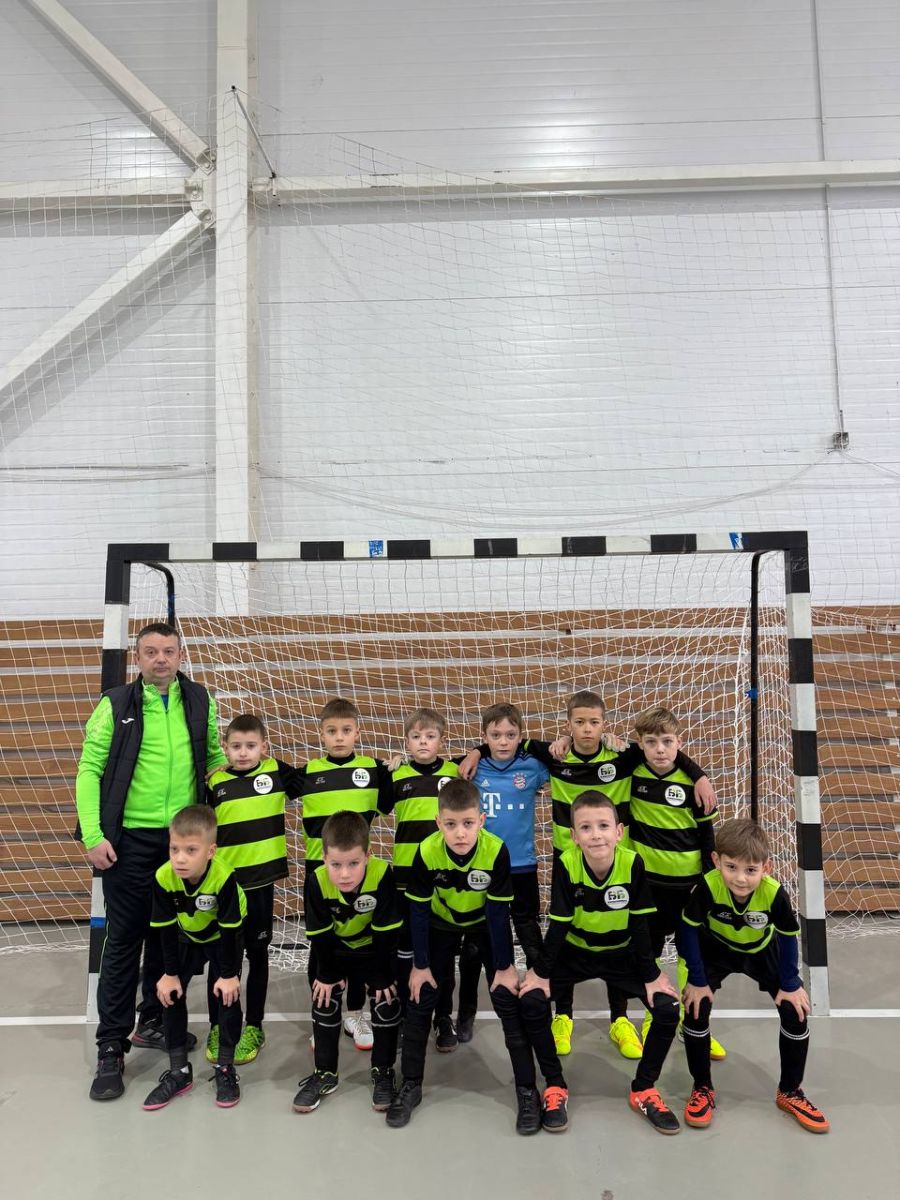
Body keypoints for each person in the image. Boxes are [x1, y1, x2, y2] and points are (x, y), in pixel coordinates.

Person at [461, 689, 715, 1059]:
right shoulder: (554, 756)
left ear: (604, 724)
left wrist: (699, 774)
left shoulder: (623, 756)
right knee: (566, 934)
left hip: (616, 861)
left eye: (594, 722)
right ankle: (562, 1016)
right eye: (579, 722)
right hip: (569, 862)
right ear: (568, 725)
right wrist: (475, 751)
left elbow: (663, 749)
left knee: (619, 937)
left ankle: (619, 1019)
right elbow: (513, 744)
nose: (586, 729)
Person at [75, 621, 226, 1101]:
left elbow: (215, 762)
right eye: (150, 652)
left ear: (180, 655)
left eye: (168, 651)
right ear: (137, 658)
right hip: (129, 843)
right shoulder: (115, 704)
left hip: (180, 843)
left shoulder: (200, 700)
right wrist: (93, 835)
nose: (160, 659)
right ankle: (110, 1048)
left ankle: (153, 1020)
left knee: (171, 939)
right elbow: (89, 769)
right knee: (124, 941)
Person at [386, 779, 567, 1135]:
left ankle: (526, 1090)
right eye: (451, 824)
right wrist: (420, 965)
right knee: (420, 997)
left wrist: (504, 966)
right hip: (441, 925)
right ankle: (410, 1084)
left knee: (506, 998)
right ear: (438, 823)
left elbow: (499, 914)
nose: (460, 833)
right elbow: (418, 912)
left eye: (468, 823)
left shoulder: (496, 851)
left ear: (481, 821)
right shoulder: (425, 851)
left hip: (484, 925)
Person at [520, 791, 683, 1135]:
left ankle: (644, 1088)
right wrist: (542, 972)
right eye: (586, 827)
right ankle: (554, 1085)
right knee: (532, 1002)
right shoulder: (567, 863)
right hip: (574, 953)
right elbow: (559, 925)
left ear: (619, 832)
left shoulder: (632, 863)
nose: (596, 835)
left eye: (604, 826)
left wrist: (652, 975)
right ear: (573, 836)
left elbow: (640, 924)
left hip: (620, 954)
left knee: (667, 1008)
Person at [680, 818, 829, 1134]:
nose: (740, 878)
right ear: (716, 861)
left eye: (750, 870)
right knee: (695, 1006)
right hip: (716, 949)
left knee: (794, 1011)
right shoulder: (707, 887)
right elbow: (688, 930)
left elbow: (788, 937)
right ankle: (702, 1087)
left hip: (761, 951)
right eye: (731, 867)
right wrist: (697, 978)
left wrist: (790, 984)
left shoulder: (774, 894)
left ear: (766, 868)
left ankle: (790, 1091)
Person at [608, 704, 726, 1061]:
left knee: (692, 955)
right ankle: (646, 1020)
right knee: (645, 952)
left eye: (667, 741)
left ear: (679, 742)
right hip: (647, 886)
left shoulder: (693, 784)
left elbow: (707, 838)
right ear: (640, 744)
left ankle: (691, 1023)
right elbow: (603, 752)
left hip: (687, 887)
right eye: (651, 742)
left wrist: (707, 882)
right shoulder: (632, 772)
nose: (660, 749)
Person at [205, 713, 304, 1065]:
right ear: (225, 748)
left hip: (261, 885)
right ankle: (218, 1025)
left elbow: (320, 782)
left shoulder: (277, 772)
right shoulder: (215, 784)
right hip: (226, 888)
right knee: (222, 957)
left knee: (257, 954)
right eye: (236, 746)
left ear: (264, 746)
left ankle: (255, 1026)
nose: (243, 753)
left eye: (251, 746)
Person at [296, 697, 394, 1050]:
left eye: (346, 730)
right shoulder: (306, 773)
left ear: (357, 732)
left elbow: (389, 802)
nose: (339, 737)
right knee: (322, 944)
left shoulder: (374, 769)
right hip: (320, 871)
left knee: (359, 942)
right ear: (321, 734)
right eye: (332, 731)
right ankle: (323, 1013)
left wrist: (392, 768)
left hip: (357, 871)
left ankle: (355, 1012)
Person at [293, 811, 402, 1114]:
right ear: (324, 858)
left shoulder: (383, 874)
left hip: (374, 950)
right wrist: (327, 974)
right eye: (336, 864)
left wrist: (380, 976)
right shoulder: (316, 880)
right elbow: (321, 935)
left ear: (368, 855)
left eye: (354, 863)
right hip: (335, 950)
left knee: (386, 998)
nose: (344, 874)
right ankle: (325, 1073)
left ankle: (383, 1070)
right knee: (323, 997)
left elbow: (386, 934)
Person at [455, 702, 550, 1039]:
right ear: (485, 736)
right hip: (483, 866)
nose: (504, 741)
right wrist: (475, 753)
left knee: (530, 935)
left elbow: (560, 757)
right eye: (495, 735)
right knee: (474, 944)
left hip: (522, 866)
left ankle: (541, 1006)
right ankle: (465, 1014)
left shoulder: (533, 766)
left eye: (511, 735)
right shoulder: (472, 768)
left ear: (521, 736)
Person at [143, 805, 246, 1110]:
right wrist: (170, 974)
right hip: (186, 934)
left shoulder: (224, 877)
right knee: (170, 993)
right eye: (174, 849)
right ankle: (179, 1072)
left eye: (191, 850)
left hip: (223, 936)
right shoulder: (164, 876)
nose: (180, 858)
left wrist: (229, 975)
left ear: (210, 851)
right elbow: (164, 930)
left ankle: (225, 1067)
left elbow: (230, 931)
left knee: (227, 994)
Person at [383, 706, 466, 1050]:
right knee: (405, 951)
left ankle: (443, 1016)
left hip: (443, 877)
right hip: (405, 877)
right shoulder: (397, 774)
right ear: (406, 741)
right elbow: (376, 806)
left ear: (441, 741)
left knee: (442, 953)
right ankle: (407, 1014)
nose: (422, 742)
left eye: (430, 736)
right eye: (416, 737)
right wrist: (386, 766)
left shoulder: (456, 773)